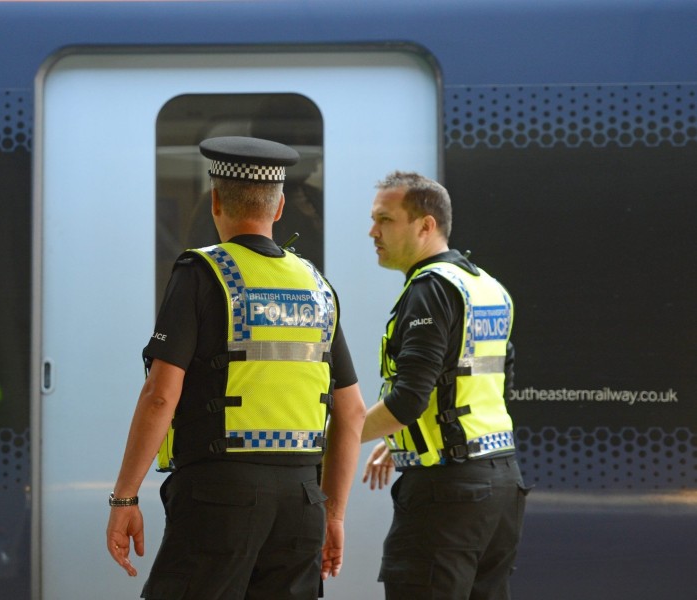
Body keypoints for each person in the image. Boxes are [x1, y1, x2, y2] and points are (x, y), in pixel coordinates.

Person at [106, 136, 367, 599]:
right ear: (281, 206)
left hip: (218, 498)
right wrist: (335, 514)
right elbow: (351, 413)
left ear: (215, 201)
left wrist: (126, 495)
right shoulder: (317, 288)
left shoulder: (202, 273)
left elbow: (161, 395)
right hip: (303, 500)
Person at [359, 171, 529, 599]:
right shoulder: (485, 285)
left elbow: (408, 400)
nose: (372, 231)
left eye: (384, 219)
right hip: (501, 486)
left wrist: (333, 441)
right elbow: (479, 388)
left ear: (425, 226)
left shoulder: (430, 289)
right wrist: (400, 437)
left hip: (446, 495)